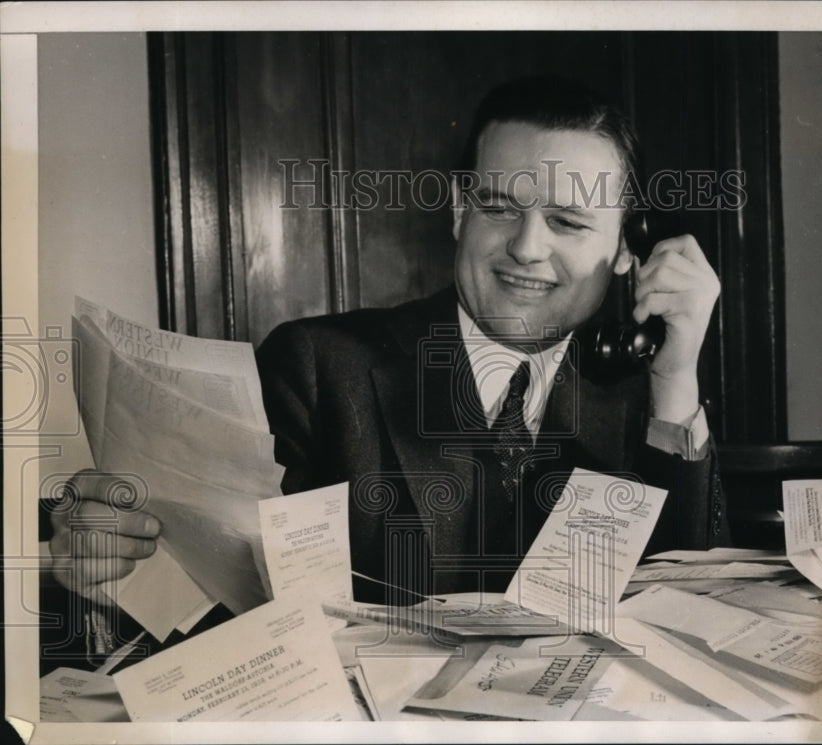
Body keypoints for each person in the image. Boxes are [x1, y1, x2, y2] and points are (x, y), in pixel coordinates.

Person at [49, 77, 729, 621]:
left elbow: (686, 611)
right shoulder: (316, 367)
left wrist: (674, 381)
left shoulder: (640, 393)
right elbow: (221, 605)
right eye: (498, 208)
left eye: (567, 221)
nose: (526, 247)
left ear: (626, 253)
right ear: (460, 212)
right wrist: (118, 571)